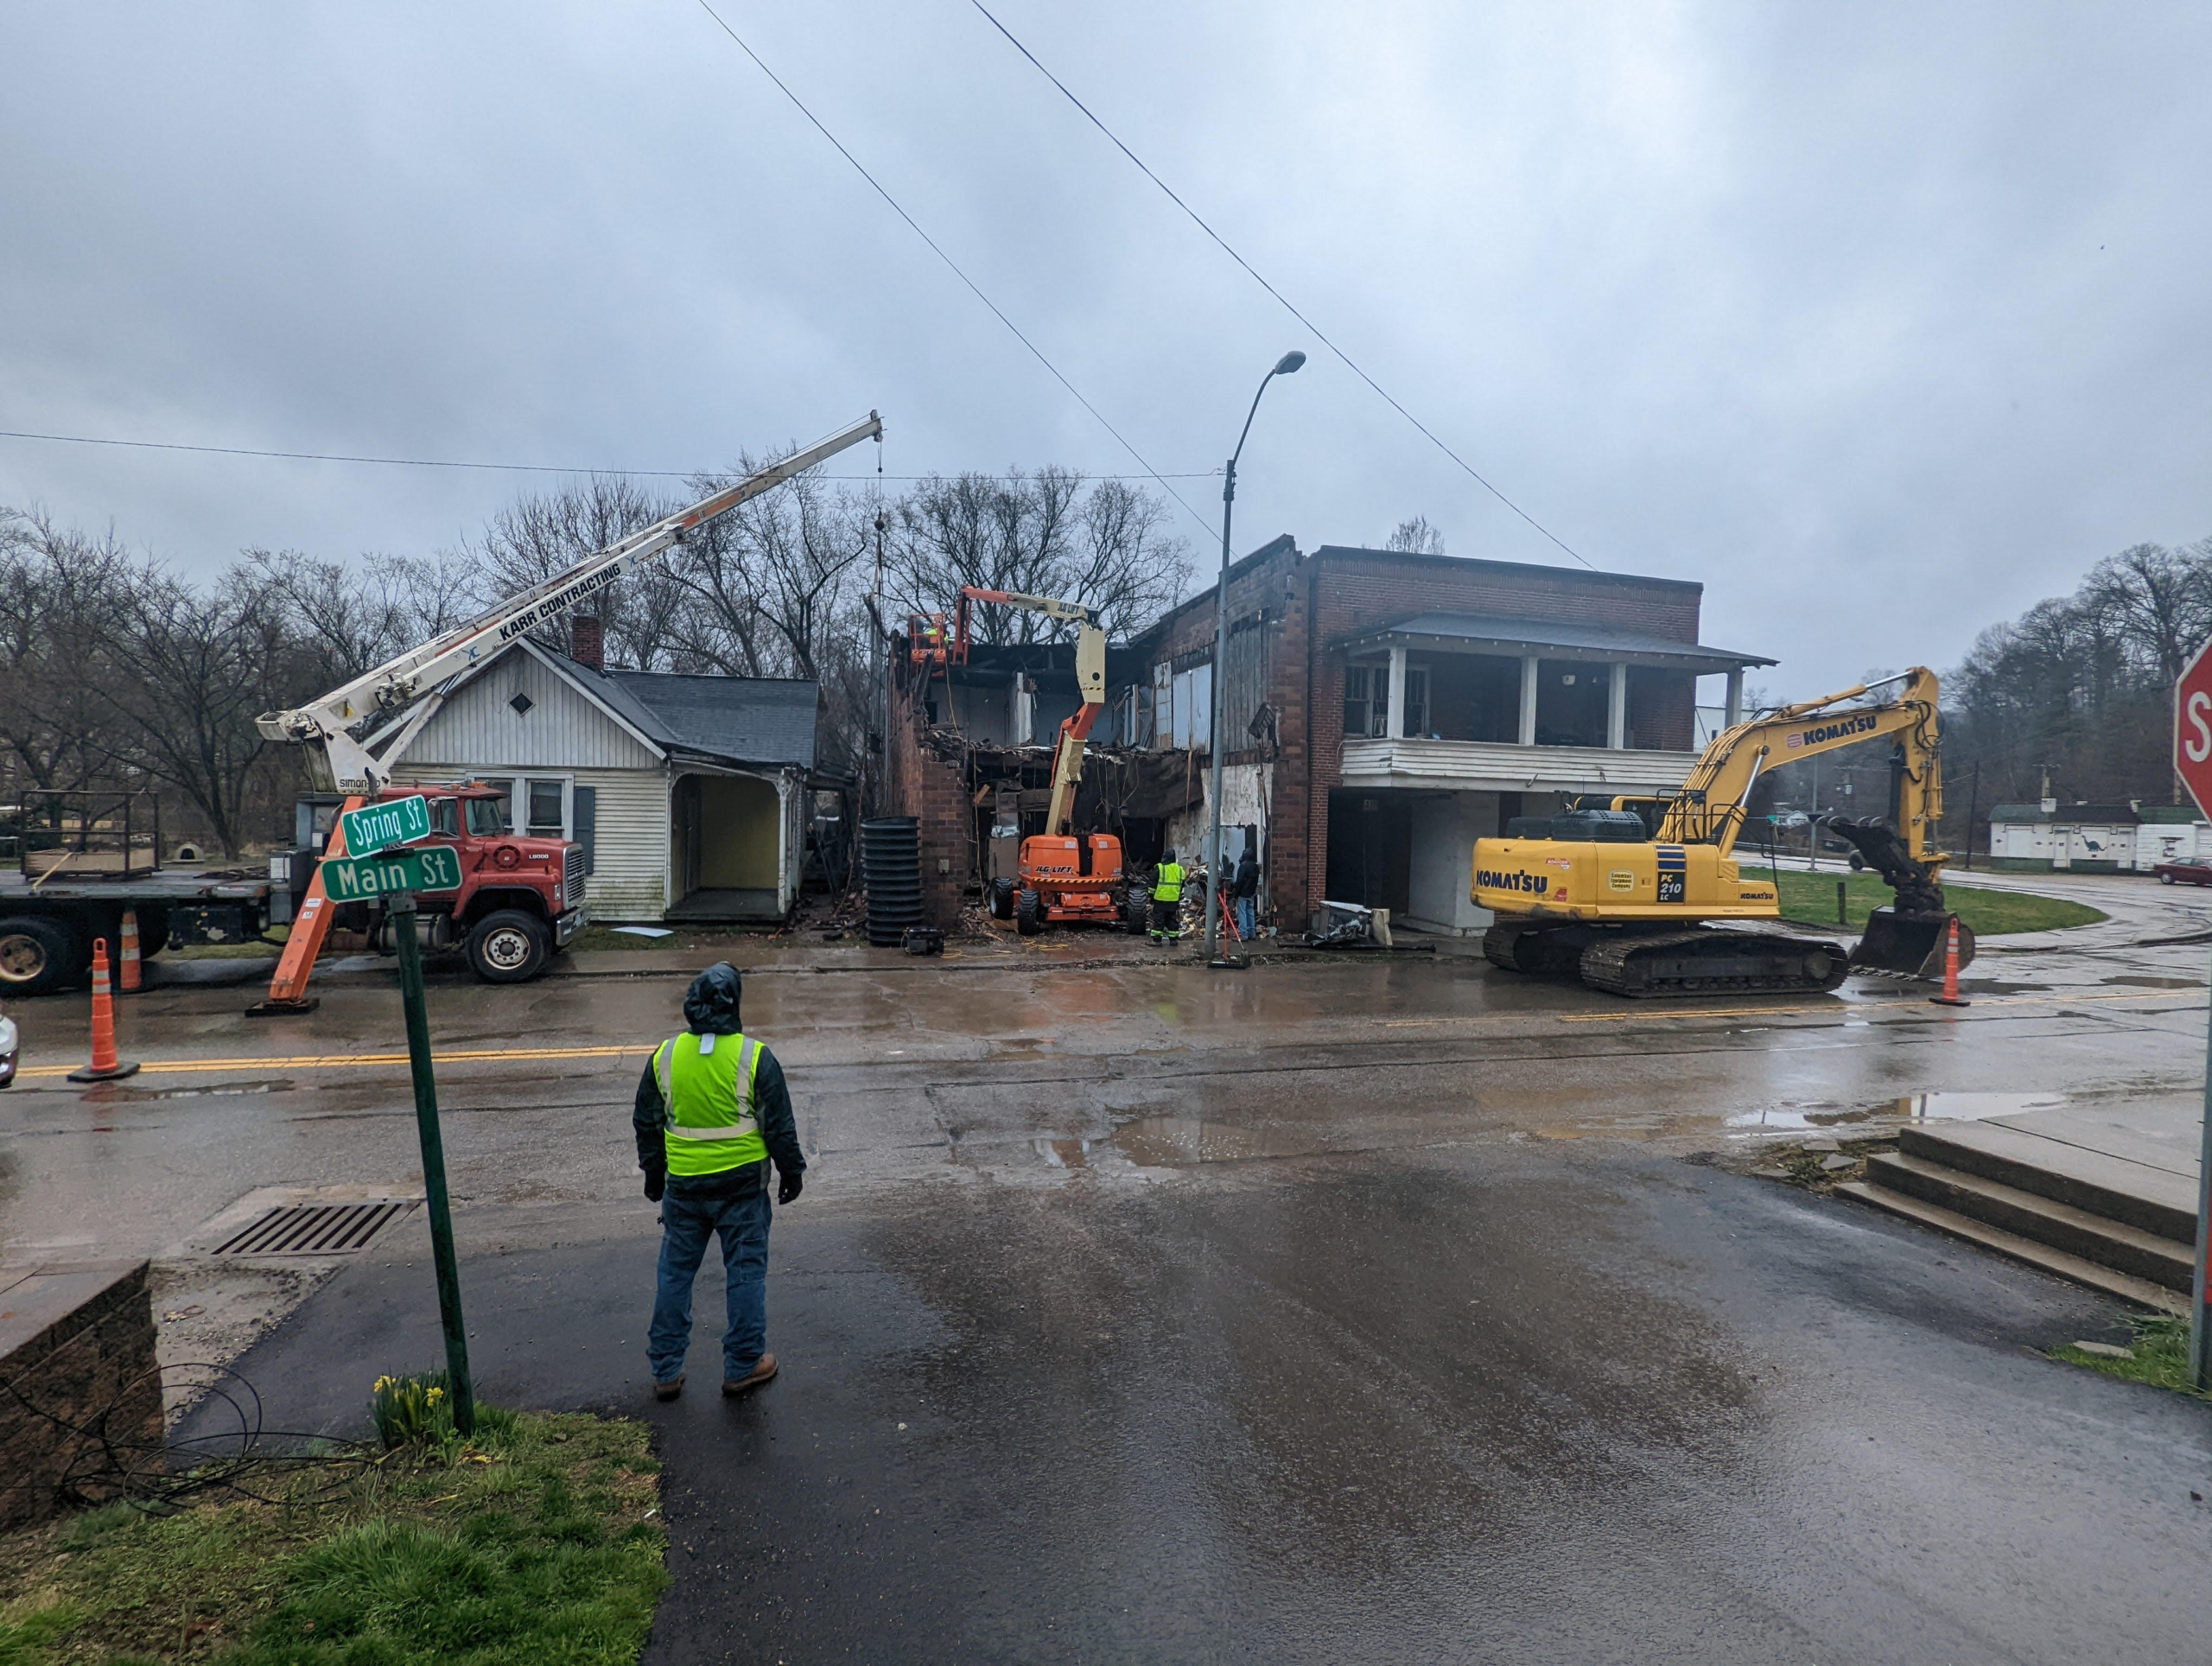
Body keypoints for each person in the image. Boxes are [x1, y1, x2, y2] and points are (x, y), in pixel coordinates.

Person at [635, 962, 804, 1402]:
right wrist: (792, 1172)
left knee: (675, 1275)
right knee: (745, 1274)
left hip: (685, 1187)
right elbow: (779, 1126)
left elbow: (647, 1124)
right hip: (743, 1187)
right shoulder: (754, 1056)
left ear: (692, 1005)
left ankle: (666, 1371)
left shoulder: (666, 1055)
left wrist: (655, 1178)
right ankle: (744, 1365)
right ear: (735, 1004)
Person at [1149, 847, 1185, 940]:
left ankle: (1157, 940)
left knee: (1159, 919)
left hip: (1160, 898)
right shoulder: (1180, 870)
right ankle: (1173, 940)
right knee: (1172, 919)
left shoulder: (1160, 868)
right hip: (1173, 900)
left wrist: (1151, 896)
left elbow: (1153, 884)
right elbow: (1182, 886)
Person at [1233, 844, 1260, 942]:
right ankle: (1252, 933)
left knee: (1242, 913)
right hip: (1251, 893)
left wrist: (1235, 894)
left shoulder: (1243, 866)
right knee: (1250, 912)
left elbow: (1239, 881)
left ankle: (1243, 934)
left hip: (1243, 893)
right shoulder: (1255, 866)